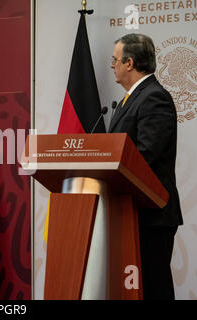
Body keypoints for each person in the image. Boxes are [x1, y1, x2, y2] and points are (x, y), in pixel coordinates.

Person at [108, 34, 182, 299]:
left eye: (115, 60)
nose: (112, 65)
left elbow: (144, 156)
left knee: (153, 287)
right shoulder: (129, 99)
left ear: (129, 63)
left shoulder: (153, 98)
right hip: (130, 209)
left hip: (151, 214)